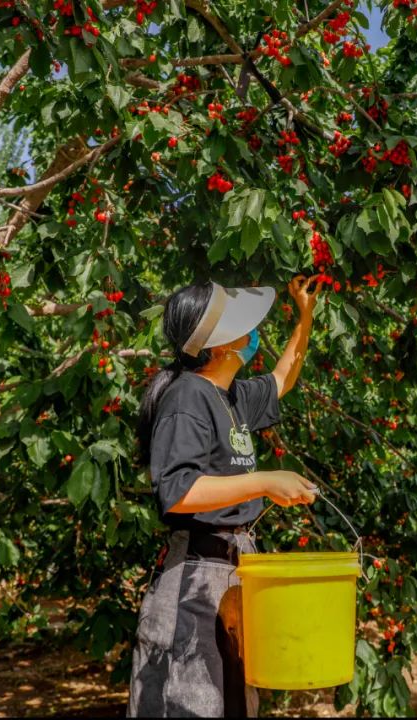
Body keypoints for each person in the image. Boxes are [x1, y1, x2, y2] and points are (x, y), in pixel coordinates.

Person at [128, 275, 323, 718]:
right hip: (195, 577)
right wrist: (264, 481)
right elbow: (178, 492)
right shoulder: (187, 397)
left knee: (232, 701)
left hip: (233, 571)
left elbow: (283, 376)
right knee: (192, 702)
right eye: (241, 326)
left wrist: (305, 315)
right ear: (218, 346)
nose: (253, 334)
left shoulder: (229, 396)